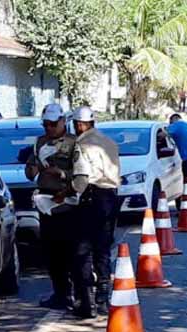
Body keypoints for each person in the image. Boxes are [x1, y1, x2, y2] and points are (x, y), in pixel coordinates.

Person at [25, 102, 81, 310]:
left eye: (52, 124)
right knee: (51, 252)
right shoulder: (39, 143)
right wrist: (35, 167)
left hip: (68, 202)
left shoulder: (74, 143)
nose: (48, 129)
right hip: (46, 203)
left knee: (72, 251)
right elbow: (30, 172)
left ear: (63, 122)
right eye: (45, 125)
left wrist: (62, 175)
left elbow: (81, 173)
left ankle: (79, 293)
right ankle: (61, 293)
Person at [71, 105, 121, 317]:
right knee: (103, 248)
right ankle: (103, 294)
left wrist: (68, 191)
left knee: (82, 251)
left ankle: (86, 300)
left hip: (91, 198)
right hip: (110, 196)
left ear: (80, 124)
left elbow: (83, 178)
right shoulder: (108, 142)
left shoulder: (81, 145)